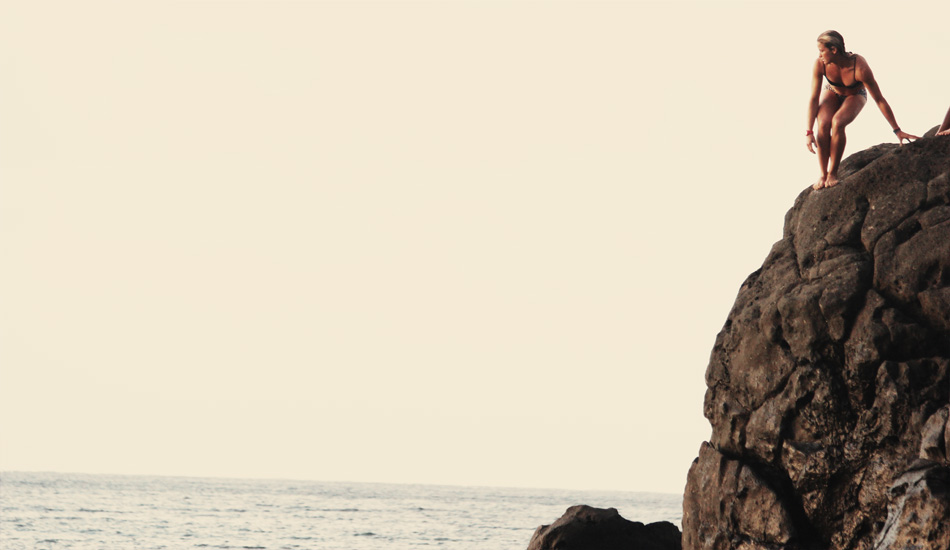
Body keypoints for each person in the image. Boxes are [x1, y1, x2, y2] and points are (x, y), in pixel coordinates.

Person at [806, 30, 919, 189]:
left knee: (837, 122)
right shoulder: (820, 64)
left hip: (855, 94)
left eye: (822, 51)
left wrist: (897, 130)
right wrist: (809, 132)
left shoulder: (859, 67)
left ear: (834, 50)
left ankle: (832, 173)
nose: (819, 55)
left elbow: (879, 99)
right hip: (832, 91)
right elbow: (813, 99)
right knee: (823, 124)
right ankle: (823, 174)